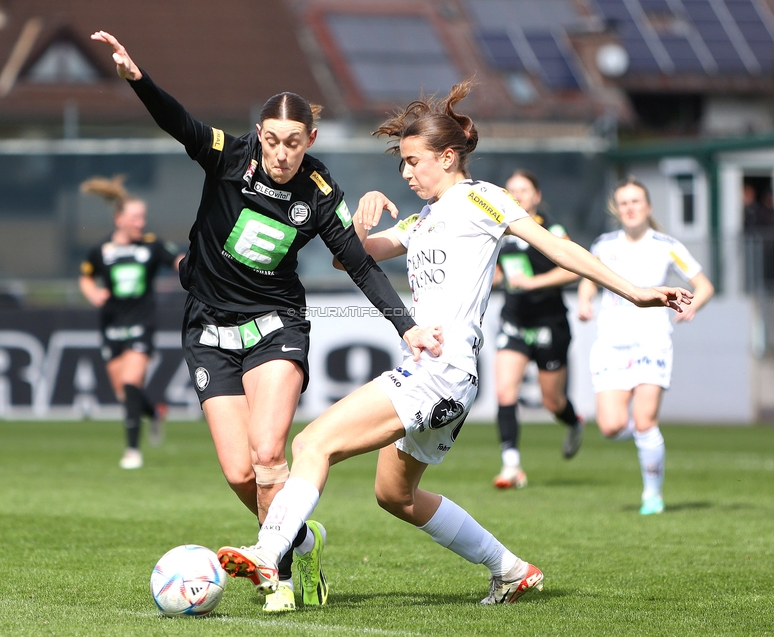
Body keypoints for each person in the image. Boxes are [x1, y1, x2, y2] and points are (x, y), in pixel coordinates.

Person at [216, 81, 692, 605]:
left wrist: (636, 292)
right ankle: (510, 569)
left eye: (413, 161)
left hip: (439, 372)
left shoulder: (482, 198)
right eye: (401, 163)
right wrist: (364, 209)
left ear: (447, 157)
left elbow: (557, 247)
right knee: (394, 495)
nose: (406, 172)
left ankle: (268, 551)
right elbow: (349, 255)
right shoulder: (423, 219)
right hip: (446, 379)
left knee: (311, 444)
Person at [90, 30, 440, 613]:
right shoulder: (229, 156)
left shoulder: (320, 191)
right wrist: (137, 78)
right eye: (273, 141)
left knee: (268, 451)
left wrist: (406, 326)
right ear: (260, 136)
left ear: (311, 141)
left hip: (275, 324)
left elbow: (357, 262)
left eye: (294, 144)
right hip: (208, 329)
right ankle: (303, 539)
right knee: (238, 470)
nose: (281, 155)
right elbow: (179, 122)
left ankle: (272, 574)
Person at [577, 177, 714, 515]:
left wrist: (694, 304)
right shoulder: (604, 245)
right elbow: (588, 280)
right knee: (610, 426)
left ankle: (652, 494)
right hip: (611, 344)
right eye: (624, 203)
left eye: (636, 201)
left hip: (652, 342)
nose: (630, 208)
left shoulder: (666, 245)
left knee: (644, 418)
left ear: (648, 207)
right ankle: (644, 438)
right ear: (617, 210)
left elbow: (703, 284)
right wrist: (584, 301)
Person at [78, 175, 182, 470]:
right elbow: (85, 275)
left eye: (143, 217)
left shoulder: (151, 245)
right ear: (119, 218)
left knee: (130, 382)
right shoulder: (102, 250)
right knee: (126, 395)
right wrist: (93, 292)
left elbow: (177, 260)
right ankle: (156, 411)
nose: (141, 222)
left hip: (142, 323)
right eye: (136, 217)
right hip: (110, 325)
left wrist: (191, 267)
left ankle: (133, 451)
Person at [491, 169, 583, 490]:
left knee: (552, 402)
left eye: (524, 189)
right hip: (514, 320)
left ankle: (573, 424)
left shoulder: (552, 229)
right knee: (505, 392)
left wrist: (536, 283)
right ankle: (511, 466)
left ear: (537, 196)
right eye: (511, 189)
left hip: (550, 323)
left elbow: (573, 269)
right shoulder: (499, 232)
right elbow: (499, 275)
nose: (517, 194)